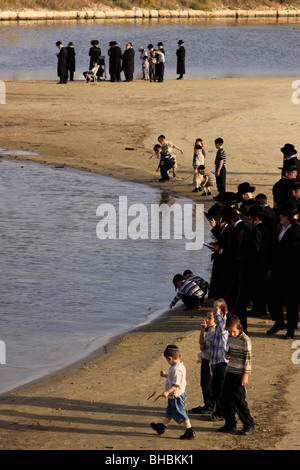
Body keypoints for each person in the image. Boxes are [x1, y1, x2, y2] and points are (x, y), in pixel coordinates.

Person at [267, 200, 300, 339]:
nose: (280, 216)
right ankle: (279, 321)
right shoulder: (279, 228)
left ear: (289, 217)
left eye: (283, 215)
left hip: (292, 271)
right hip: (277, 269)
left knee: (291, 301)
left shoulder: (296, 231)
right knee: (274, 297)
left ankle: (291, 328)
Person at [150, 344, 195, 440]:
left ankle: (190, 431)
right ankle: (162, 427)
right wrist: (165, 375)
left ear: (170, 358)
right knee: (169, 412)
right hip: (173, 395)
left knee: (181, 413)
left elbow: (176, 384)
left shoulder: (177, 369)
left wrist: (167, 392)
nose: (167, 362)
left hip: (177, 396)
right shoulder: (177, 366)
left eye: (167, 360)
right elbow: (172, 379)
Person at [219, 315, 255, 435]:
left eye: (234, 331)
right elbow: (230, 350)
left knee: (239, 400)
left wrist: (246, 375)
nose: (232, 333)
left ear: (240, 328)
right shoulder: (230, 337)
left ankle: (248, 424)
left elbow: (248, 360)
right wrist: (227, 354)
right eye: (229, 331)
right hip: (230, 370)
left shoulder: (246, 340)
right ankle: (230, 423)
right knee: (226, 398)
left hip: (239, 373)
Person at [248, 204, 273, 317]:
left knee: (257, 287)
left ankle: (257, 309)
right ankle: (260, 309)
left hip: (257, 264)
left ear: (256, 219)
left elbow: (255, 248)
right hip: (265, 263)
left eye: (250, 219)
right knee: (261, 287)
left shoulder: (256, 230)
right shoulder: (266, 229)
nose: (249, 221)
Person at [191, 312, 216, 415]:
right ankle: (207, 404)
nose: (207, 320)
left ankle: (210, 405)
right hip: (205, 358)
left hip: (210, 360)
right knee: (204, 382)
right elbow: (201, 344)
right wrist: (202, 330)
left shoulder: (215, 332)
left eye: (210, 318)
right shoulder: (209, 330)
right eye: (207, 317)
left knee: (208, 383)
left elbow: (203, 345)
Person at [209, 298, 229, 421]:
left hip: (222, 361)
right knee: (216, 388)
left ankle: (221, 412)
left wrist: (218, 313)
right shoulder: (217, 326)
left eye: (217, 308)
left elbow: (222, 328)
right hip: (216, 361)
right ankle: (218, 410)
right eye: (213, 307)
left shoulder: (224, 324)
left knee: (221, 388)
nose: (214, 310)